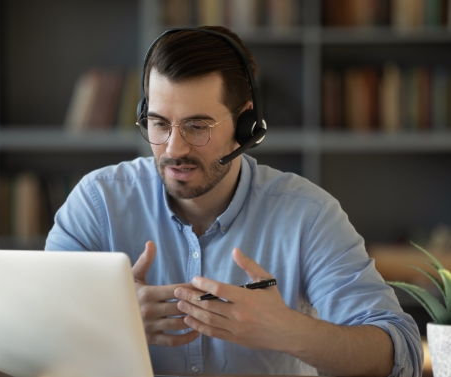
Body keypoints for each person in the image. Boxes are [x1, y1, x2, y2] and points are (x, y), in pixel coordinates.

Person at [46, 26, 422, 376]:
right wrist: (111, 319)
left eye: (197, 126)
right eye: (159, 124)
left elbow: (400, 350)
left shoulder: (308, 214)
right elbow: (34, 328)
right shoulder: (97, 202)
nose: (174, 149)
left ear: (247, 125)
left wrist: (289, 332)